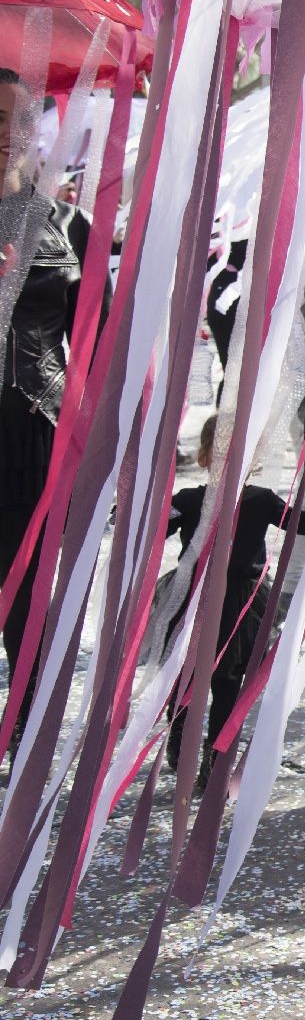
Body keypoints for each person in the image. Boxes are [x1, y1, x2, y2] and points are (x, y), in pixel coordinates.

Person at [0, 68, 101, 753]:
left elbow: (104, 338)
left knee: (29, 589)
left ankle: (27, 734)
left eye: (15, 117)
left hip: (36, 427)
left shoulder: (67, 221)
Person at [161, 416, 305, 786]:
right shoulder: (188, 501)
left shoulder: (261, 501)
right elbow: (157, 530)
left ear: (253, 459)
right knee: (186, 676)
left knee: (227, 681)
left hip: (241, 606)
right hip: (195, 601)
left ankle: (216, 756)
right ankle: (180, 736)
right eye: (220, 453)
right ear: (204, 456)